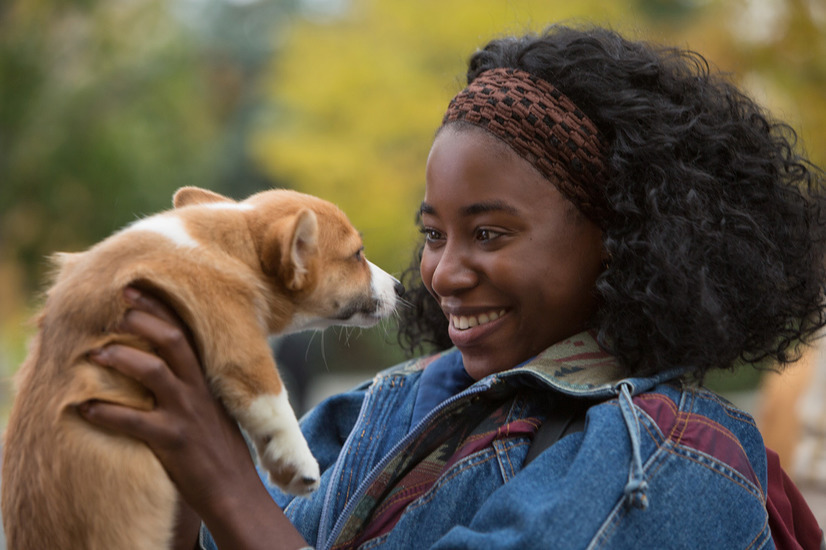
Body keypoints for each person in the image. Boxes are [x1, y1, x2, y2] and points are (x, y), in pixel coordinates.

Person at [80, 23, 826, 549]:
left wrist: (222, 478)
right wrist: (169, 439)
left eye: (490, 233)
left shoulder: (671, 459)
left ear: (623, 238)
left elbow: (242, 512)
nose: (442, 272)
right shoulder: (396, 404)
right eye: (434, 233)